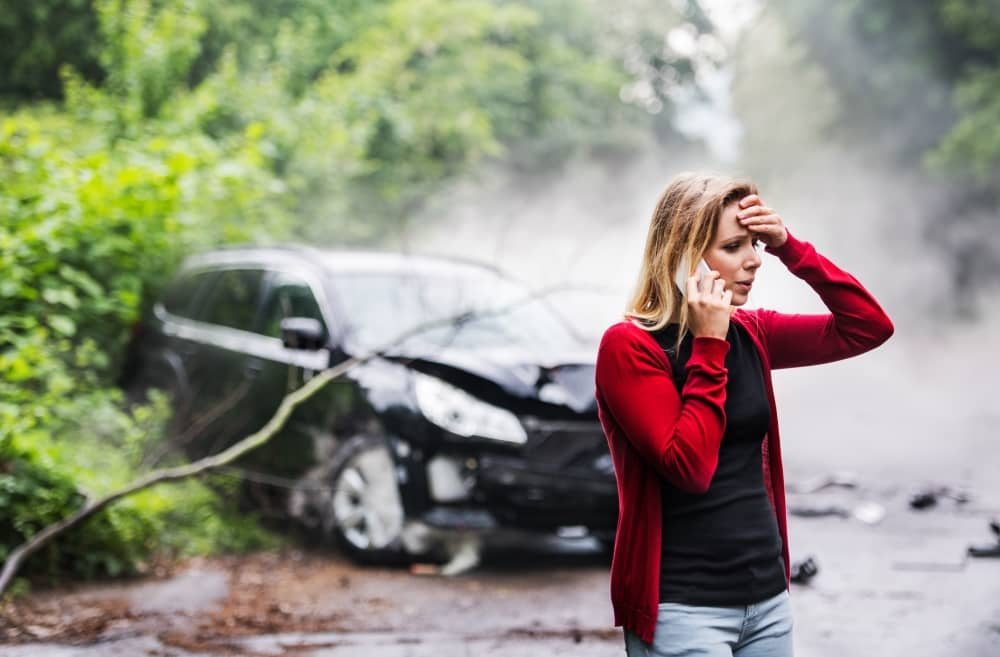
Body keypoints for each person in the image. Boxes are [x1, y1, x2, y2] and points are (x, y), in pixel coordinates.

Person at [594, 173, 894, 656]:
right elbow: (689, 467)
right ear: (682, 257)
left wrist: (790, 247)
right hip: (683, 610)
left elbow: (868, 327)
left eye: (754, 243)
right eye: (734, 246)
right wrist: (709, 344)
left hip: (767, 602)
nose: (754, 260)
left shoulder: (751, 332)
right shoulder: (630, 347)